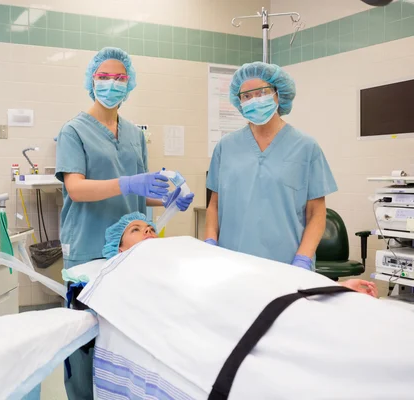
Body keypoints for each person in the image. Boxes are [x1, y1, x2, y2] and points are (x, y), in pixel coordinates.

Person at [55, 47, 194, 400]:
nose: (111, 84)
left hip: (132, 253)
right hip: (89, 246)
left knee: (125, 342)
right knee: (86, 345)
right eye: (104, 77)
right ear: (91, 80)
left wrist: (165, 198)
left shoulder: (134, 133)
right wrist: (130, 183)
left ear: (129, 84)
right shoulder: (74, 130)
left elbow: (136, 191)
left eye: (119, 78)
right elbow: (76, 188)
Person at [205, 61, 338, 272]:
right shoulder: (226, 147)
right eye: (246, 96)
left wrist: (302, 259)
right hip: (231, 262)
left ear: (278, 94)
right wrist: (211, 242)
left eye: (261, 93)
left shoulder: (305, 147)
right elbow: (214, 205)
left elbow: (316, 213)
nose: (253, 101)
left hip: (286, 265)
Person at [104, 212, 378, 297]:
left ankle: (333, 289)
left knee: (260, 275)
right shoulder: (130, 271)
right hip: (207, 293)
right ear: (120, 248)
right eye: (136, 230)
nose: (148, 230)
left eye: (150, 227)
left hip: (220, 276)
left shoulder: (176, 247)